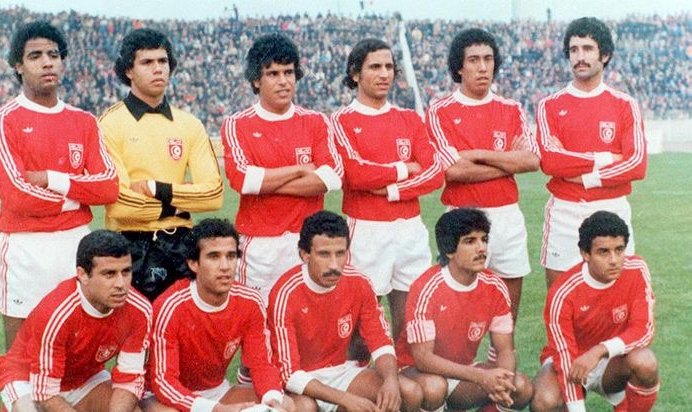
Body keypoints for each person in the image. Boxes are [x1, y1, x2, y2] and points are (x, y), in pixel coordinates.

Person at [0, 20, 118, 349]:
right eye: (35, 56)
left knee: (79, 345)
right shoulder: (3, 121)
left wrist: (52, 180)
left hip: (76, 244)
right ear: (19, 65)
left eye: (54, 54)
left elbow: (109, 187)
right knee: (22, 351)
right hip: (26, 246)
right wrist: (78, 197)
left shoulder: (84, 121)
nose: (47, 62)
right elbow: (17, 196)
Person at [142, 218, 306, 412]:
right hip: (163, 399)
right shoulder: (170, 306)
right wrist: (213, 411)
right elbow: (164, 382)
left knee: (287, 406)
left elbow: (261, 364)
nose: (225, 266)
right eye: (213, 257)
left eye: (231, 256)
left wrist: (272, 398)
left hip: (216, 392)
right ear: (194, 263)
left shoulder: (250, 301)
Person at [331, 38, 444, 342]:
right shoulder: (340, 121)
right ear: (355, 73)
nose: (384, 74)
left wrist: (392, 191)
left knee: (411, 323)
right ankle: (358, 385)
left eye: (389, 67)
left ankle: (408, 383)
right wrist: (404, 168)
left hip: (410, 229)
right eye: (375, 67)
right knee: (360, 328)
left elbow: (434, 172)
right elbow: (355, 175)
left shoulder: (408, 118)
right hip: (366, 229)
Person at [268, 211, 423, 412]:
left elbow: (380, 340)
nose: (334, 264)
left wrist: (390, 379)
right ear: (304, 254)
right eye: (324, 254)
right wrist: (345, 399)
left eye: (340, 254)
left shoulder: (359, 282)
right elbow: (289, 373)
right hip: (301, 383)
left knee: (409, 392)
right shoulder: (285, 292)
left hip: (342, 372)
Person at [99, 28, 223, 301]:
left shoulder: (189, 124)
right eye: (147, 62)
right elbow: (120, 204)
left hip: (181, 245)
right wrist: (181, 202)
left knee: (182, 337)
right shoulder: (109, 123)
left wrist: (156, 189)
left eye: (162, 61)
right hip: (130, 245)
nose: (158, 69)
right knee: (135, 340)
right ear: (129, 71)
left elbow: (214, 196)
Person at [426, 28, 539, 321]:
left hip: (507, 217)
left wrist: (479, 153)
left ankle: (500, 366)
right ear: (459, 67)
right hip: (462, 216)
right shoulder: (441, 111)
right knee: (456, 315)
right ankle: (458, 368)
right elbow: (453, 170)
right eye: (474, 59)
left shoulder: (511, 109)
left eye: (488, 59)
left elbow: (530, 160)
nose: (483, 67)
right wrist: (506, 162)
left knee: (506, 317)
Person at [221, 33, 343, 304]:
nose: (283, 80)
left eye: (289, 72)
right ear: (256, 80)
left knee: (308, 325)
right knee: (261, 325)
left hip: (308, 242)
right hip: (260, 246)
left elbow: (332, 178)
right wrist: (300, 170)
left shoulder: (315, 121)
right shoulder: (237, 124)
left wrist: (267, 182)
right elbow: (244, 181)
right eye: (273, 73)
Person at [0, 230, 152, 412]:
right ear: (82, 275)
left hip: (85, 377)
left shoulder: (140, 309)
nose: (121, 284)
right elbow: (44, 395)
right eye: (109, 274)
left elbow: (130, 378)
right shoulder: (56, 312)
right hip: (29, 379)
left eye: (126, 272)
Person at [395, 208, 532, 412]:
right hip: (412, 374)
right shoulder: (427, 287)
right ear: (449, 250)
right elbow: (422, 359)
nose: (481, 248)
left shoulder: (495, 287)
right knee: (434, 386)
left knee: (520, 386)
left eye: (484, 240)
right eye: (470, 241)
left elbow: (505, 349)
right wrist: (480, 376)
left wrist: (503, 379)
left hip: (460, 375)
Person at [536, 17, 647, 288]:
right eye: (574, 50)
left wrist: (586, 178)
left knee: (614, 299)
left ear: (604, 55)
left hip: (612, 207)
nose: (580, 57)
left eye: (587, 48)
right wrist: (606, 158)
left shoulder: (624, 104)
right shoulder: (549, 105)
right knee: (560, 298)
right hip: (565, 211)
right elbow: (551, 161)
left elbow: (636, 164)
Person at [530, 211, 658, 412]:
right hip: (571, 363)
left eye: (619, 250)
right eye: (603, 252)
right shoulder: (563, 292)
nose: (614, 260)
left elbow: (644, 330)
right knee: (544, 403)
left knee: (645, 361)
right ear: (585, 253)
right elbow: (564, 357)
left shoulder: (637, 270)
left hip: (613, 362)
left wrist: (599, 350)